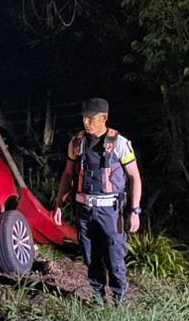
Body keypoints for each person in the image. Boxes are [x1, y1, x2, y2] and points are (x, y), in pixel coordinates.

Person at [53, 98, 142, 305]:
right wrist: (59, 205)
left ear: (104, 118)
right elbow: (68, 175)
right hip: (84, 210)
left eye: (90, 118)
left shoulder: (119, 143)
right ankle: (99, 300)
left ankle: (120, 302)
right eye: (84, 118)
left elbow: (135, 177)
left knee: (114, 257)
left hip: (110, 211)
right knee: (90, 256)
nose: (86, 122)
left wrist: (135, 211)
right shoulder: (76, 143)